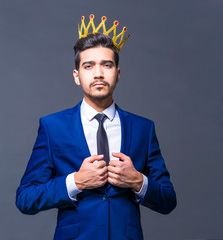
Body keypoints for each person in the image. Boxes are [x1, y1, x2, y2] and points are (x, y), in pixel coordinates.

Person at [16, 15, 176, 240]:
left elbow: (168, 201)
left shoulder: (143, 129)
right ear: (77, 76)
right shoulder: (53, 127)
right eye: (89, 66)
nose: (98, 73)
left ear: (118, 74)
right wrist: (76, 182)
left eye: (107, 65)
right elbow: (25, 199)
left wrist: (138, 181)